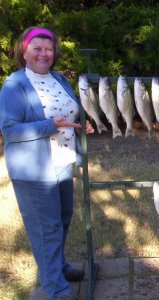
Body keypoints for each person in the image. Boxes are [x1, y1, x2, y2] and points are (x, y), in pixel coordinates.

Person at [0, 27, 94, 299]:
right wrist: (48, 125)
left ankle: (57, 267)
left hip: (63, 161)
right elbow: (10, 130)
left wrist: (79, 127)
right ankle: (55, 289)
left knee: (62, 220)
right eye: (37, 48)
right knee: (46, 228)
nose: (44, 53)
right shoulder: (14, 85)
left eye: (48, 48)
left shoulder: (59, 80)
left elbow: (69, 113)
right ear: (23, 51)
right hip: (34, 170)